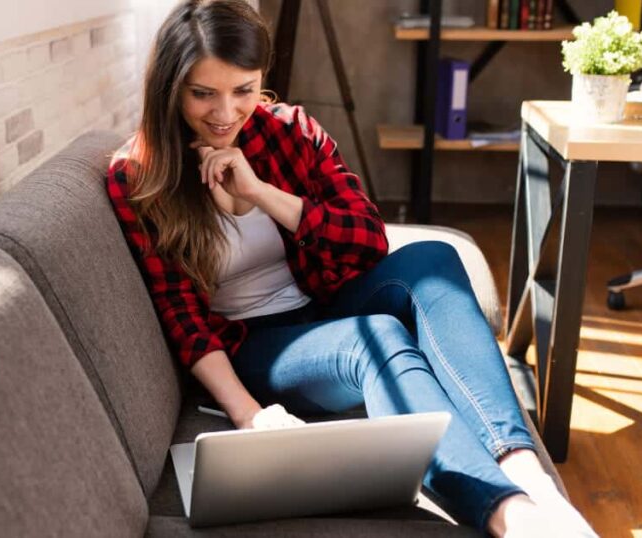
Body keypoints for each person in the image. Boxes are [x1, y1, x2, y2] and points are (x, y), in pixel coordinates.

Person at [106, 1, 596, 536]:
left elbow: (367, 240)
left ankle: (529, 476)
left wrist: (262, 194)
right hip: (255, 345)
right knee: (375, 337)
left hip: (322, 302)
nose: (226, 112)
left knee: (433, 258)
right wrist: (250, 415)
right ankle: (508, 514)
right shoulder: (138, 177)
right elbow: (183, 320)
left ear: (261, 80)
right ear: (170, 87)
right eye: (204, 93)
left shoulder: (288, 132)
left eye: (243, 90)